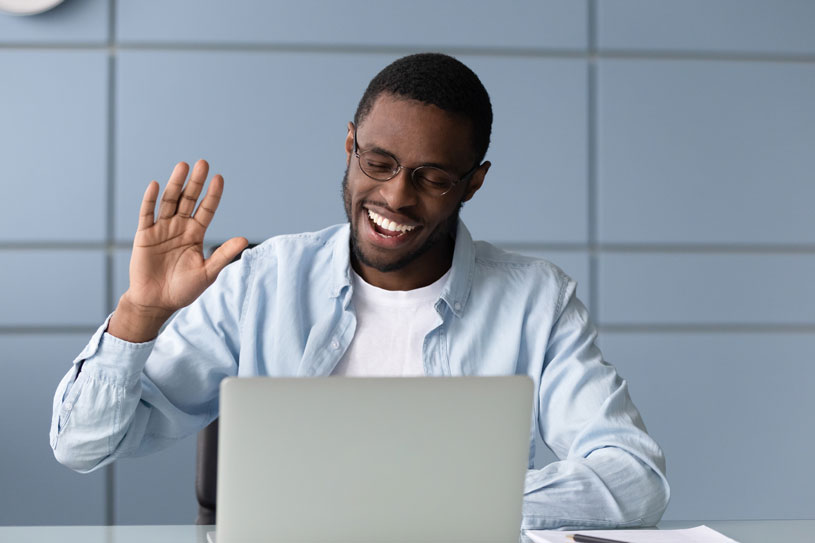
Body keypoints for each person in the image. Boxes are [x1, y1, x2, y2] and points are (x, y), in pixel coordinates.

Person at [51, 53, 669, 530]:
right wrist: (139, 314)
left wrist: (440, 514)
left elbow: (634, 477)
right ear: (350, 147)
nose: (397, 197)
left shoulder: (538, 302)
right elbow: (81, 447)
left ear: (472, 184)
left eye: (432, 177)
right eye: (378, 163)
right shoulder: (261, 283)